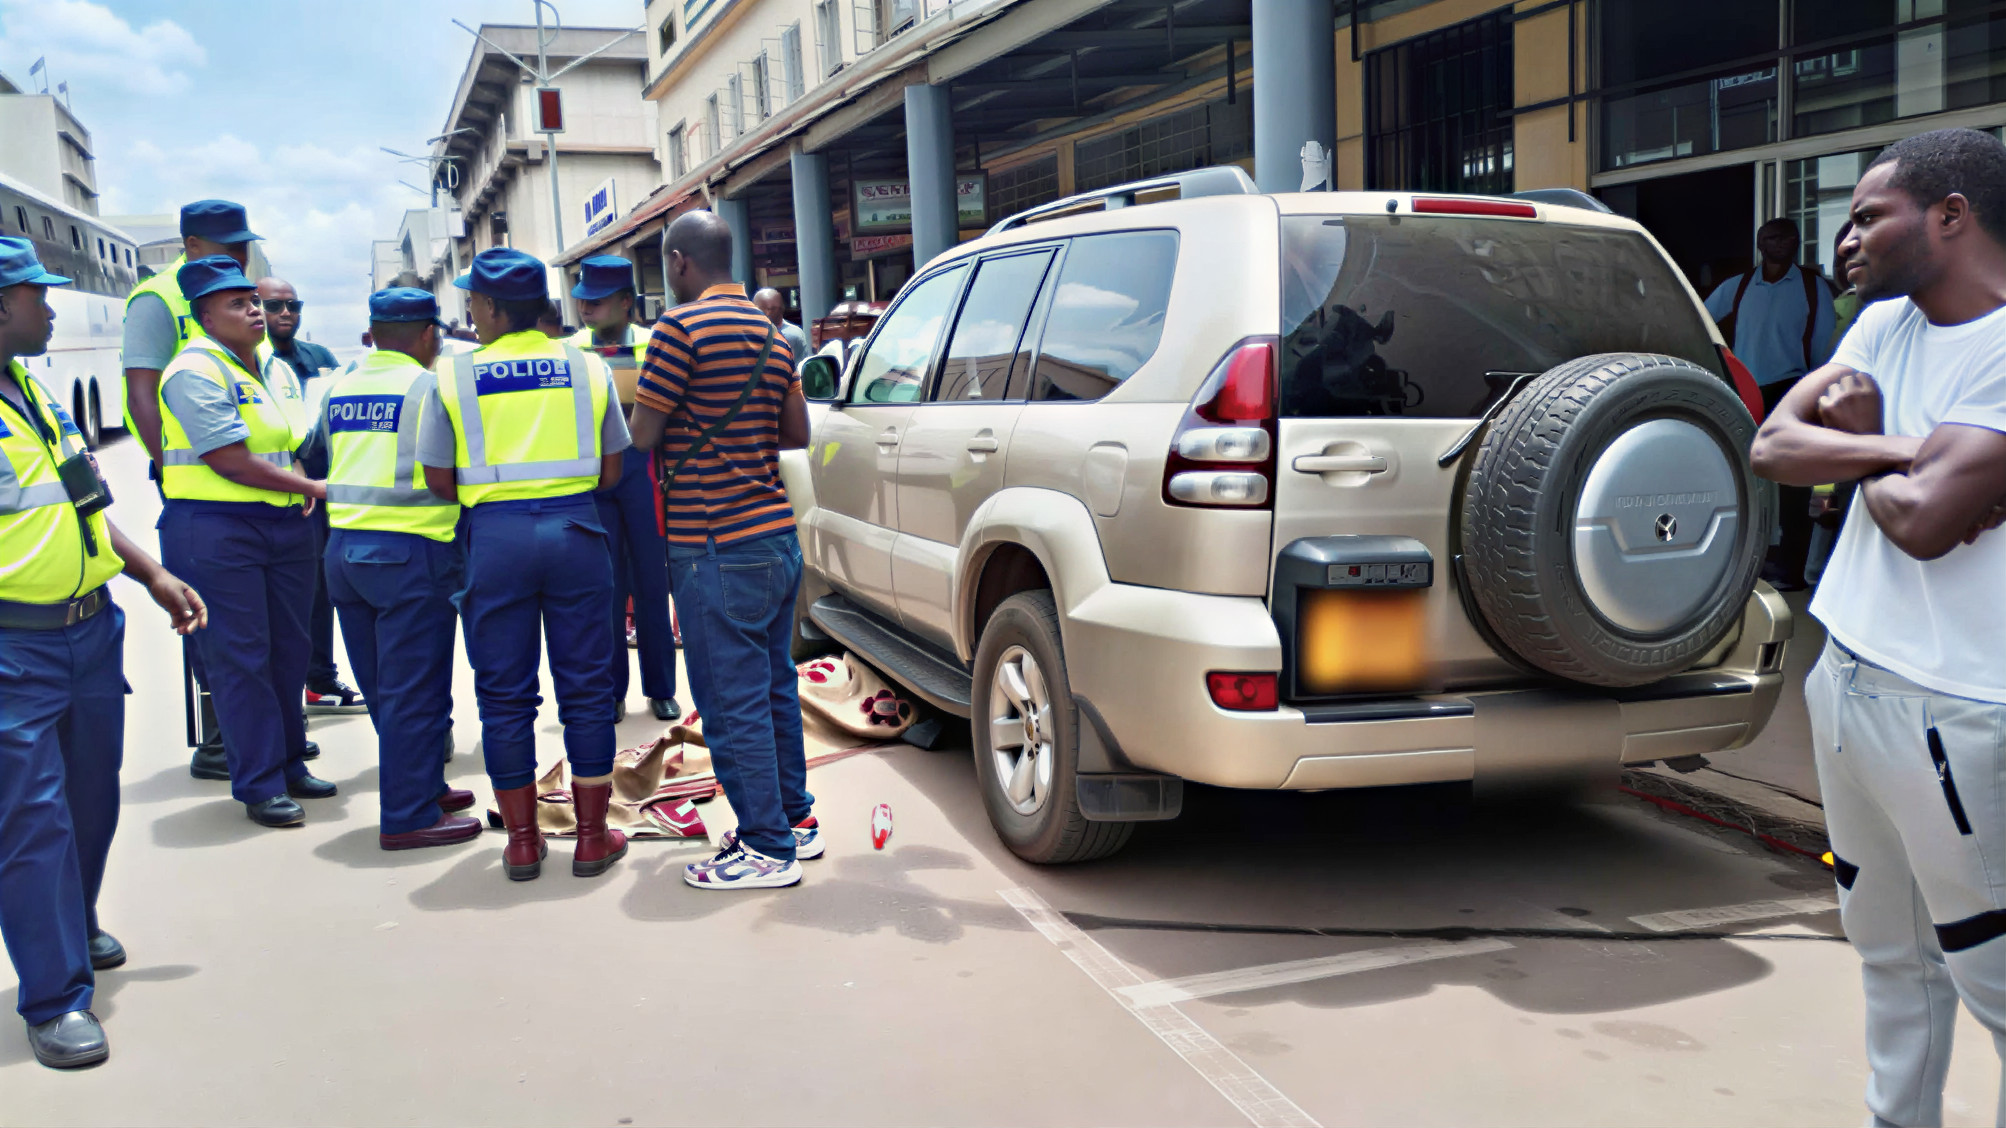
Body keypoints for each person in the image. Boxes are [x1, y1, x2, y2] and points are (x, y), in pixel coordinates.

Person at [1748, 127, 2006, 1128]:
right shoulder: (1879, 324)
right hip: (1842, 679)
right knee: (1889, 960)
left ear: (1947, 215)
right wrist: (1897, 444)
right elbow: (1773, 443)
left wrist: (1858, 454)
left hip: (1951, 708)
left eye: (1866, 217)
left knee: (1988, 974)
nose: (1843, 241)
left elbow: (1921, 527)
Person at [0, 237, 206, 1067]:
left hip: (89, 631)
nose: (51, 308)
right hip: (15, 647)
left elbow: (84, 504)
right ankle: (53, 999)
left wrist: (152, 573)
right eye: (34, 295)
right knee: (32, 821)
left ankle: (71, 925)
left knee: (91, 802)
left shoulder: (29, 391)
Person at [418, 248, 631, 881]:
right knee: (588, 690)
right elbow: (613, 469)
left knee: (505, 695)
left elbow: (437, 480)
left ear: (487, 307)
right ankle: (592, 838)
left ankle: (520, 843)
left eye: (473, 303)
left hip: (496, 539)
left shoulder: (451, 377)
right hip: (576, 533)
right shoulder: (587, 366)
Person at [629, 211, 816, 891]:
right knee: (772, 689)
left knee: (731, 701)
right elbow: (795, 433)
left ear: (680, 262)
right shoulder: (773, 335)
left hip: (713, 544)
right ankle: (795, 822)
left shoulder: (678, 331)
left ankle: (767, 848)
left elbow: (643, 435)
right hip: (774, 538)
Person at [156, 256, 334, 828]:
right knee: (241, 657)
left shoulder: (273, 368)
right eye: (239, 304)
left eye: (254, 300)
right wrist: (309, 485)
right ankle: (257, 783)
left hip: (283, 523)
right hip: (216, 528)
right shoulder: (193, 371)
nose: (256, 310)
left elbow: (294, 437)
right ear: (204, 314)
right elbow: (229, 459)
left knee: (289, 648)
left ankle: (288, 762)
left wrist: (299, 484)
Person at [313, 288, 479, 850]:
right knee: (415, 688)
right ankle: (408, 815)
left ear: (374, 332)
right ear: (431, 333)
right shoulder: (430, 385)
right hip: (410, 552)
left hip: (344, 553)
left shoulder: (338, 385)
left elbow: (317, 454)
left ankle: (423, 783)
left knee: (385, 688)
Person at [119, 200, 271, 779]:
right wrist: (173, 470)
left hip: (259, 482)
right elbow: (142, 392)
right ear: (190, 245)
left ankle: (263, 737)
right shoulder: (159, 299)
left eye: (242, 243)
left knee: (261, 628)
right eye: (223, 244)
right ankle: (219, 738)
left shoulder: (241, 292)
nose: (238, 254)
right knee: (220, 621)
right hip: (201, 486)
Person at [568, 255, 679, 724]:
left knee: (652, 582)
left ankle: (661, 688)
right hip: (592, 473)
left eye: (597, 302)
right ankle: (612, 690)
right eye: (583, 302)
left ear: (626, 303)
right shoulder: (569, 350)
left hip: (642, 467)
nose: (586, 310)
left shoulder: (656, 344)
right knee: (603, 587)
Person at [1707, 217, 1838, 590]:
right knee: (1745, 474)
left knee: (1792, 483)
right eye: (1769, 238)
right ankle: (1749, 558)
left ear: (1797, 242)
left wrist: (1813, 396)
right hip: (1746, 391)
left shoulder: (1813, 288)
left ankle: (1790, 567)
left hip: (1791, 390)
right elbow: (1704, 320)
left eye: (1785, 237)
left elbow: (1823, 350)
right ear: (1759, 243)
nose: (1777, 243)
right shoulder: (1740, 286)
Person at [259, 276, 366, 718]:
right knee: (284, 595)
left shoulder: (319, 357)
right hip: (273, 486)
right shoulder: (251, 361)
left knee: (321, 586)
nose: (285, 313)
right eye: (274, 305)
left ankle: (318, 680)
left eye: (293, 304)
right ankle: (285, 686)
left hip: (320, 484)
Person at [752, 287, 811, 364]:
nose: (768, 312)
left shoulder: (794, 334)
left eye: (772, 308)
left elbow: (800, 365)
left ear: (781, 308)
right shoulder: (746, 332)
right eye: (763, 308)